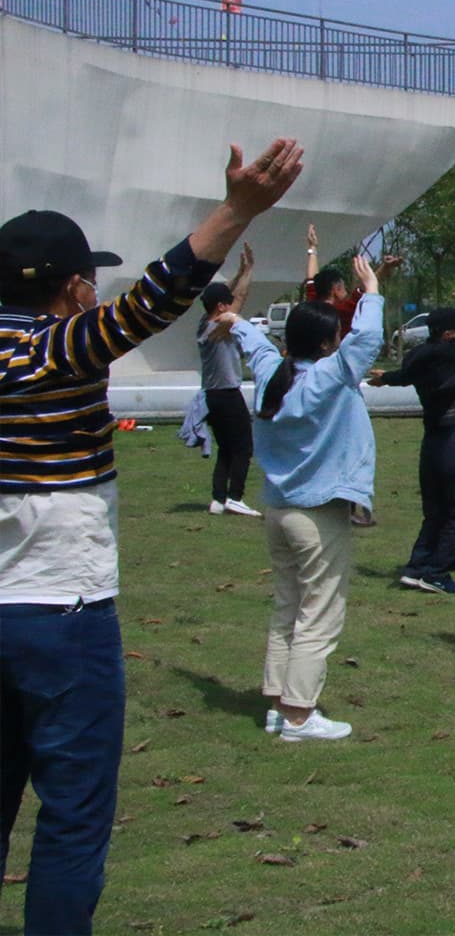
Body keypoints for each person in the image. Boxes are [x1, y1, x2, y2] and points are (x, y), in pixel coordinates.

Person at [0, 139, 303, 934]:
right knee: (72, 817)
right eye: (89, 282)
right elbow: (153, 301)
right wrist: (237, 210)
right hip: (61, 613)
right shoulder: (56, 347)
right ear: (71, 288)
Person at [225, 254, 385, 743]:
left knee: (287, 608)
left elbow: (254, 343)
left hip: (278, 510)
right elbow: (367, 339)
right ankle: (298, 714)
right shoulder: (330, 376)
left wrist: (232, 319)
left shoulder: (272, 373)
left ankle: (279, 704)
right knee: (319, 614)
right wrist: (372, 291)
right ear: (325, 343)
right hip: (317, 515)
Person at [370, 288, 455, 595]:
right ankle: (437, 572)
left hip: (432, 443)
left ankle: (417, 567)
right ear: (448, 334)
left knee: (435, 511)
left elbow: (403, 376)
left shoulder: (419, 358)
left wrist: (385, 378)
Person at [304, 224, 398, 528]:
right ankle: (350, 507)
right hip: (340, 383)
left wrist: (312, 248)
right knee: (350, 444)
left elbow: (311, 278)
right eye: (343, 286)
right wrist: (381, 270)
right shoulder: (342, 309)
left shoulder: (310, 304)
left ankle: (320, 498)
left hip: (313, 380)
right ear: (336, 290)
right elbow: (369, 290)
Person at [196, 243, 261, 517]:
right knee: (244, 446)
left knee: (225, 448)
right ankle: (235, 497)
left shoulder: (204, 323)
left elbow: (224, 293)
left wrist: (239, 273)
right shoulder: (221, 327)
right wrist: (249, 270)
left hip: (211, 396)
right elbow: (240, 296)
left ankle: (218, 499)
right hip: (228, 394)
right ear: (222, 307)